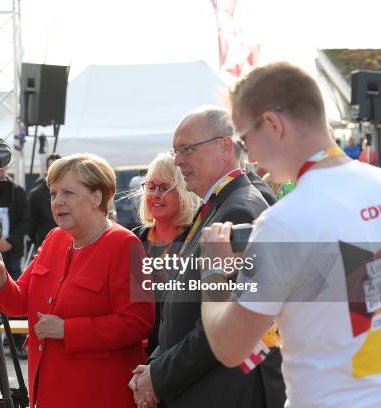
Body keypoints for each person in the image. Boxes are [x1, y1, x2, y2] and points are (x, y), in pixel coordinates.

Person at [201, 62, 381, 407]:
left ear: (272, 123)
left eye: (243, 138)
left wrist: (212, 271)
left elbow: (229, 347)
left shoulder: (284, 221)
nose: (249, 157)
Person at [129, 107, 285, 408]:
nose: (178, 161)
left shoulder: (239, 210)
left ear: (225, 146)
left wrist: (159, 375)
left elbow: (226, 326)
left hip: (225, 391)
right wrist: (155, 365)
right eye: (176, 151)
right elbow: (184, 311)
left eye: (186, 149)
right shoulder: (219, 204)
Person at [0, 153, 154, 407]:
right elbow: (19, 303)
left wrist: (68, 330)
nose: (57, 202)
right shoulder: (54, 238)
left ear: (97, 197)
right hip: (50, 393)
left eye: (68, 193)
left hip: (98, 394)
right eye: (53, 193)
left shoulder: (128, 245)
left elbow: (138, 323)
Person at [131, 152, 199, 355]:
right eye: (151, 187)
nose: (155, 194)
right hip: (136, 355)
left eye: (165, 187)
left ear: (183, 191)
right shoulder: (135, 239)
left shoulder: (194, 240)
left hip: (179, 354)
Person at [0, 164, 29, 359]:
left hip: (12, 250)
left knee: (15, 292)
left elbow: (25, 220)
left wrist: (10, 241)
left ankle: (17, 344)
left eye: (1, 166)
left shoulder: (18, 191)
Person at [27, 153, 61, 250]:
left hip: (69, 244)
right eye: (52, 167)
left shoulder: (72, 191)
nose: (55, 172)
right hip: (45, 246)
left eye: (58, 167)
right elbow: (31, 223)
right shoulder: (36, 194)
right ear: (46, 170)